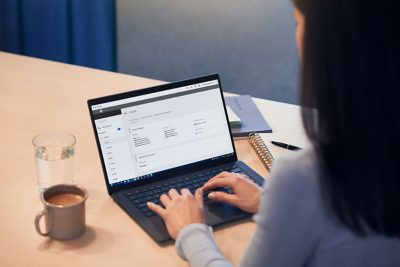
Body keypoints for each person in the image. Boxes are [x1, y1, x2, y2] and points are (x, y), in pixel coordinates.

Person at [147, 0, 400, 265]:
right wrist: (272, 204)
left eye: (297, 22)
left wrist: (191, 232)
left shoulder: (306, 177)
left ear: (324, 42)